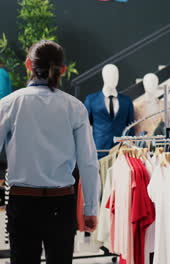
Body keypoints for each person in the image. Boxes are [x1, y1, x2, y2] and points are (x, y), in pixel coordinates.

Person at [0, 40, 100, 264]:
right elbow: (88, 163)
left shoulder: (8, 105)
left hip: (21, 203)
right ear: (62, 69)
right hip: (61, 204)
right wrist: (90, 208)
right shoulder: (75, 108)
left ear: (28, 64)